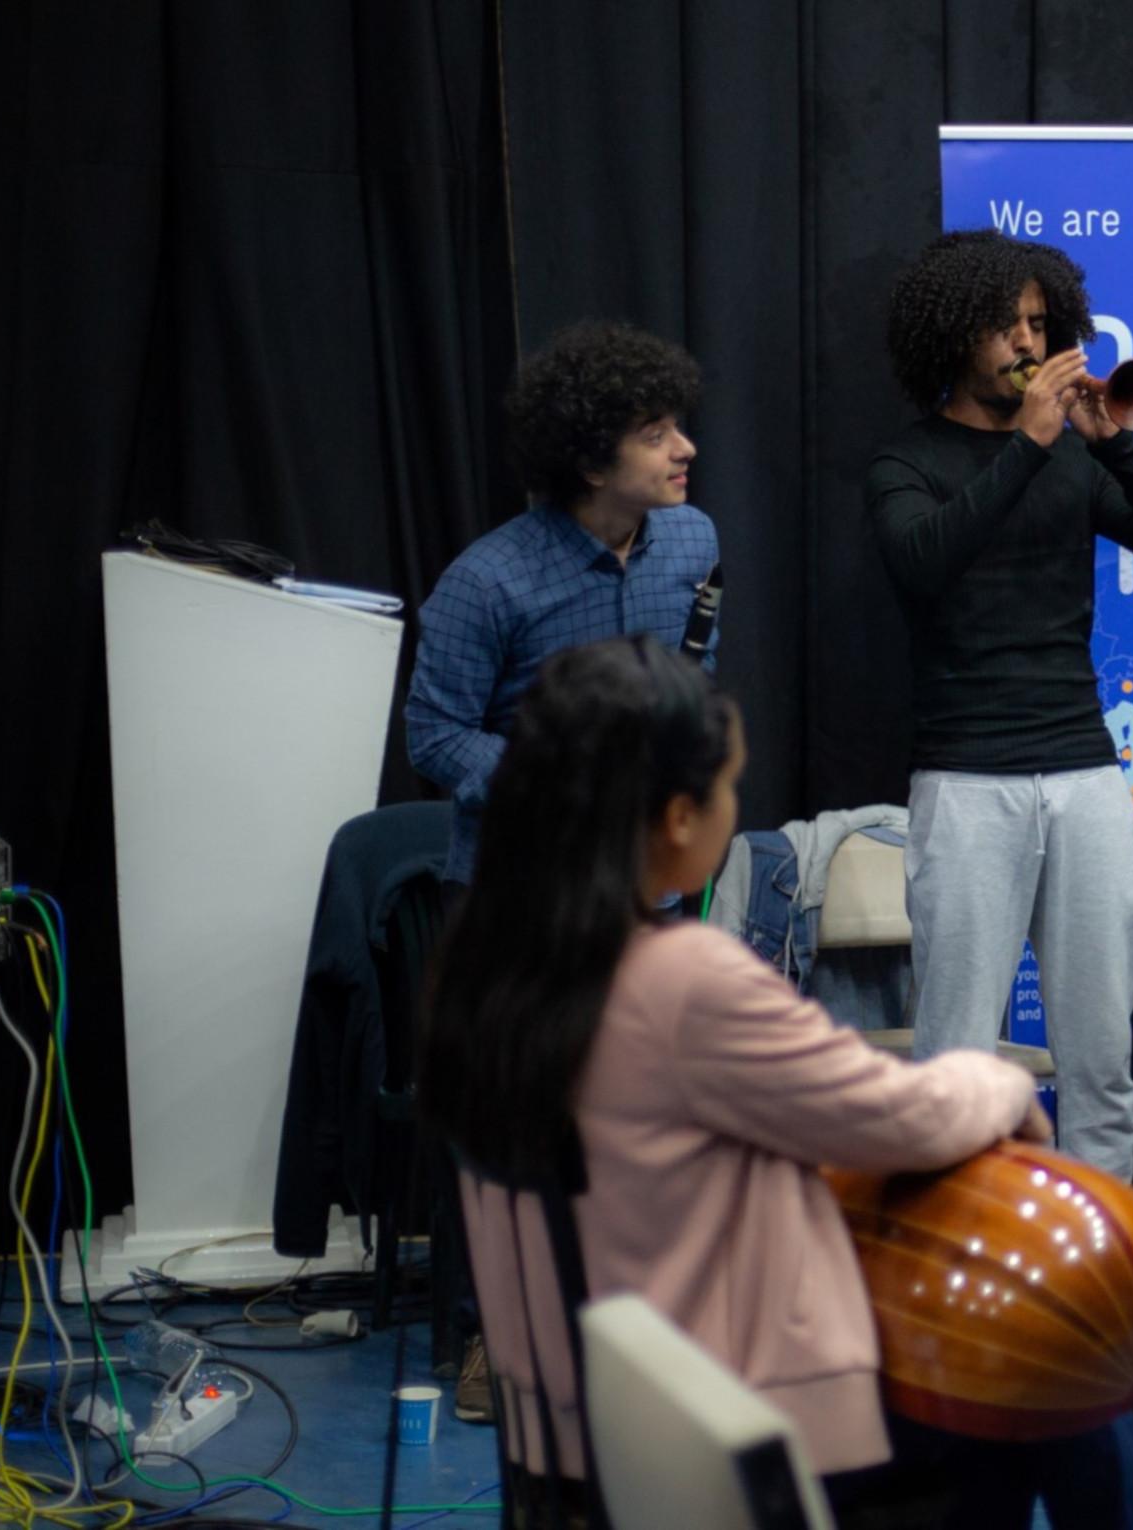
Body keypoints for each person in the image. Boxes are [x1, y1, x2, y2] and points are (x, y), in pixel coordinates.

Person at [418, 635, 1133, 1528]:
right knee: (1056, 1358)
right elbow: (902, 1114)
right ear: (674, 819)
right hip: (732, 1435)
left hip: (580, 1447)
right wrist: (1000, 1086)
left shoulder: (480, 974)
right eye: (727, 788)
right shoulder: (682, 981)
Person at [403, 318, 719, 1420]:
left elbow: (690, 682)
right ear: (590, 462)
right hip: (515, 896)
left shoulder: (691, 542)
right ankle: (504, 1336)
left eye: (678, 422)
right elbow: (433, 736)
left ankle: (637, 1328)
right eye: (653, 432)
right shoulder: (487, 581)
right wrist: (564, 779)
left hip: (642, 896)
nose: (683, 447)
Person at [866, 231, 1133, 1185]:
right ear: (954, 338)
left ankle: (1100, 1264)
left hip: (1085, 769)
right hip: (967, 779)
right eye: (1007, 327)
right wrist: (1026, 447)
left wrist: (1121, 448)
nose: (1029, 343)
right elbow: (924, 565)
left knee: (1101, 1056)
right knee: (960, 1060)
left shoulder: (1072, 458)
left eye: (1039, 323)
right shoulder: (909, 462)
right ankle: (954, 1265)